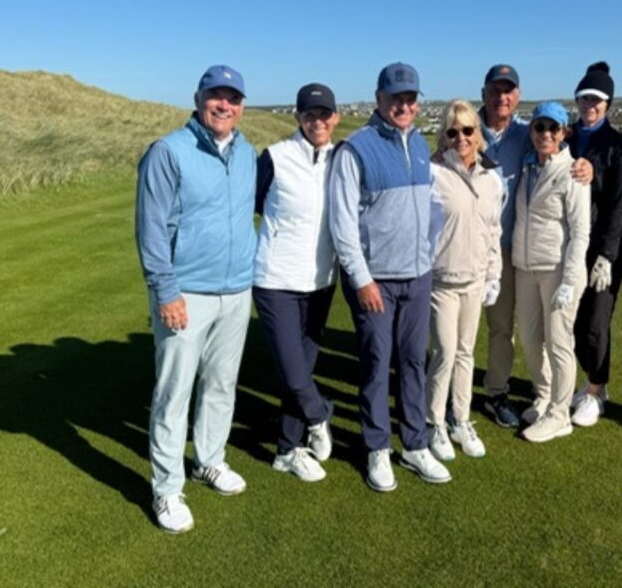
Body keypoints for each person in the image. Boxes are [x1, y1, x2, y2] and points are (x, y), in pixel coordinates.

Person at [135, 65, 257, 534]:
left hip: (235, 290)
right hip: (185, 292)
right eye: (215, 96)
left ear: (242, 105)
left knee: (222, 384)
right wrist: (165, 290)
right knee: (174, 393)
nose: (224, 105)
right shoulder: (169, 152)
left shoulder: (246, 152)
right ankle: (167, 488)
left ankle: (210, 459)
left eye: (233, 97)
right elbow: (151, 229)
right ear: (199, 97)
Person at [328, 62, 450, 491]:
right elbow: (342, 224)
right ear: (379, 99)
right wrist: (361, 279)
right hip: (375, 280)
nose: (404, 105)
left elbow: (432, 207)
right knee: (378, 364)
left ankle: (414, 444)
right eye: (395, 97)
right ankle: (378, 448)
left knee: (414, 361)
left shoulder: (419, 143)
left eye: (410, 98)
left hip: (418, 276)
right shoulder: (355, 149)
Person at [478, 65, 593, 428]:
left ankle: (505, 397)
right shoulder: (467, 129)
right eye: (496, 90)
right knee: (508, 336)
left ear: (517, 96)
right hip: (478, 251)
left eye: (508, 91)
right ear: (484, 93)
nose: (502, 97)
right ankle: (541, 396)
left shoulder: (526, 137)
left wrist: (587, 167)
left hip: (516, 254)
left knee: (515, 332)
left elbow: (579, 225)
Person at [252, 83, 340, 483]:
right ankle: (320, 415)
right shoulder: (275, 157)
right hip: (276, 280)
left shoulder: (341, 158)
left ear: (335, 117)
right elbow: (251, 205)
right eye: (309, 115)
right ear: (298, 118)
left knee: (301, 368)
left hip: (322, 281)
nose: (316, 121)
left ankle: (287, 450)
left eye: (324, 114)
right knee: (293, 369)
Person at [425, 99, 504, 462]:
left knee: (466, 353)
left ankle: (461, 419)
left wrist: (494, 275)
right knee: (443, 353)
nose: (461, 138)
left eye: (468, 130)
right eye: (452, 131)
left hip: (475, 280)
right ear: (444, 136)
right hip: (441, 281)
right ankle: (434, 422)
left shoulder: (491, 177)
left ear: (478, 134)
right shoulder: (433, 173)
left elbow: (493, 230)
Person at [512, 102, 591, 443]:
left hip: (558, 270)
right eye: (539, 127)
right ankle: (544, 395)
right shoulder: (527, 166)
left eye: (552, 129)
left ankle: (560, 414)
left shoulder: (573, 171)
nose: (545, 134)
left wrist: (571, 281)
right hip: (525, 266)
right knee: (530, 340)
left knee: (559, 342)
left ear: (563, 133)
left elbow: (580, 231)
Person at [567, 62, 622, 428]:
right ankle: (588, 381)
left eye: (597, 99)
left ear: (607, 104)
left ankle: (595, 391)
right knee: (573, 322)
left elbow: (617, 207)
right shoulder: (567, 135)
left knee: (595, 322)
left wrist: (606, 256)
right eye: (585, 98)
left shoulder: (617, 147)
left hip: (602, 250)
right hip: (570, 245)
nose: (590, 104)